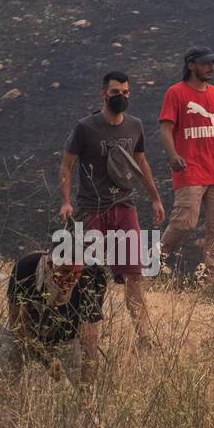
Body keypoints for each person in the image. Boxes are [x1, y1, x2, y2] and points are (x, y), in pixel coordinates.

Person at [59, 71, 166, 348]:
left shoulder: (135, 126)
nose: (121, 97)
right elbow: (66, 166)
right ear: (103, 93)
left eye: (126, 93)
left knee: (134, 274)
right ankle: (84, 336)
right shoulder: (85, 127)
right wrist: (66, 201)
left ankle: (144, 338)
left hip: (124, 206)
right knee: (90, 274)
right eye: (116, 92)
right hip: (91, 208)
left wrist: (154, 198)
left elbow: (141, 163)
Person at [157, 47, 214, 280]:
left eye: (212, 63)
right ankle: (156, 260)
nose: (211, 68)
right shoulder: (176, 92)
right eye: (205, 63)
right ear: (191, 65)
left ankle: (209, 276)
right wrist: (172, 155)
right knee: (184, 222)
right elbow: (165, 128)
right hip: (190, 169)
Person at [0, 250, 107, 385]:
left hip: (68, 337)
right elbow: (16, 323)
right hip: (26, 329)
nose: (70, 279)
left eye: (76, 273)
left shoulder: (93, 277)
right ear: (50, 264)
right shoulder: (27, 267)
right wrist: (46, 359)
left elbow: (89, 338)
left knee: (82, 382)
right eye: (64, 271)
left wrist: (86, 390)